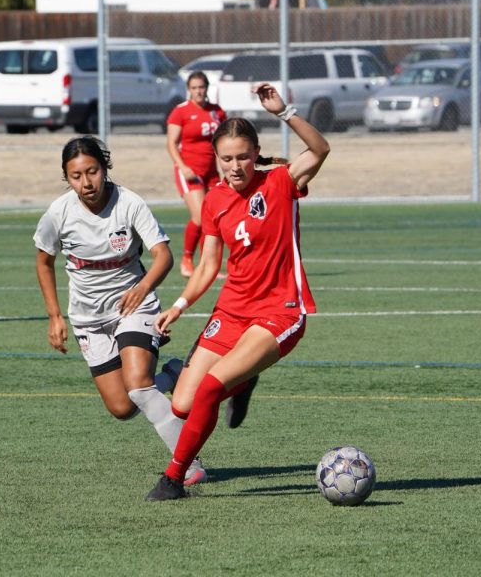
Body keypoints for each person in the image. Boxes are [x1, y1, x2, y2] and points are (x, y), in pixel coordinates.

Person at [145, 83, 330, 501]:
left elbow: (320, 150)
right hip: (230, 312)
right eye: (226, 158)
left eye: (243, 156)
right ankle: (244, 382)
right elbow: (209, 265)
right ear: (216, 159)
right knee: (182, 405)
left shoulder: (281, 180)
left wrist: (285, 111)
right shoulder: (214, 200)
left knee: (210, 388)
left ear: (256, 152)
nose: (235, 166)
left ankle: (172, 479)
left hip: (279, 313)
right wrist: (179, 305)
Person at [34, 136, 207, 485]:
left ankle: (189, 464)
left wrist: (143, 287)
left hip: (135, 305)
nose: (86, 183)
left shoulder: (129, 203)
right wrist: (55, 316)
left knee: (139, 385)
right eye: (76, 176)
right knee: (123, 407)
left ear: (105, 167)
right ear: (67, 178)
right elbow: (44, 261)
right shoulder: (58, 213)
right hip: (89, 319)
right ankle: (177, 373)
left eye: (93, 172)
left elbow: (163, 255)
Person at [166, 70, 227, 278]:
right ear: (189, 90)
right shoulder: (180, 112)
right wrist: (182, 166)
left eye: (202, 87)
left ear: (207, 88)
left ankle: (205, 265)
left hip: (211, 173)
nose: (198, 91)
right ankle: (186, 260)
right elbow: (171, 143)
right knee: (200, 218)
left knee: (214, 219)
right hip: (190, 171)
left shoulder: (217, 111)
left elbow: (223, 142)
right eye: (194, 88)